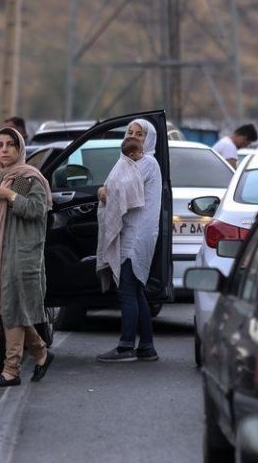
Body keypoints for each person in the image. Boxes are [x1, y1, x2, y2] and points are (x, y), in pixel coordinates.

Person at [0, 127, 55, 387]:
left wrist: (9, 195)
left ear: (19, 148)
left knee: (12, 309)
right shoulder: (2, 178)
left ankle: (11, 369)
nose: (4, 149)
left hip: (22, 256)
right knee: (12, 308)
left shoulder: (25, 178)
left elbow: (35, 210)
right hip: (2, 255)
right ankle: (41, 352)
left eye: (10, 144)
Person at [95, 119, 162, 363]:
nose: (133, 137)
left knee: (127, 291)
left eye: (139, 134)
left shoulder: (147, 163)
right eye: (130, 132)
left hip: (136, 235)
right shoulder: (129, 162)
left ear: (149, 139)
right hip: (133, 232)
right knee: (135, 291)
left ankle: (125, 347)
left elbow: (123, 191)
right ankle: (146, 347)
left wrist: (104, 192)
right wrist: (104, 191)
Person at [96, 136, 145, 293]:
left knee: (131, 292)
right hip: (128, 237)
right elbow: (117, 198)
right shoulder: (123, 171)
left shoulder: (130, 168)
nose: (142, 155)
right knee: (130, 292)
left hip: (130, 236)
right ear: (131, 154)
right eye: (140, 152)